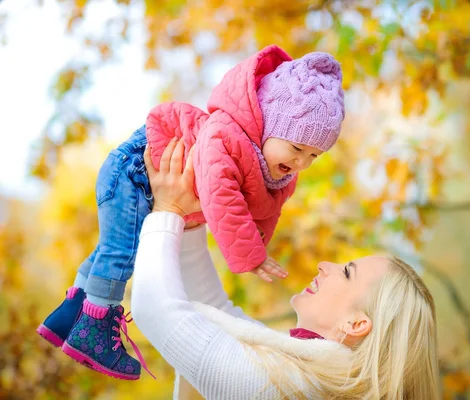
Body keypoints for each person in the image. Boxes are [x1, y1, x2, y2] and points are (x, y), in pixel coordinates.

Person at [36, 44, 345, 380]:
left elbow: (268, 208)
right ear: (266, 123)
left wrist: (260, 243)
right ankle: (94, 327)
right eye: (297, 147)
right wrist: (248, 254)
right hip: (136, 172)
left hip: (150, 185)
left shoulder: (279, 171)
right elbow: (220, 195)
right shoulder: (226, 136)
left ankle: (72, 312)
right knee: (121, 253)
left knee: (111, 249)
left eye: (314, 156)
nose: (301, 162)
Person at [130, 138, 441, 399]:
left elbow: (155, 310)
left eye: (347, 273)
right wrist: (189, 219)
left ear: (356, 324)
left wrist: (168, 210)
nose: (325, 266)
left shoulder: (281, 388)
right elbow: (216, 312)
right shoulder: (305, 378)